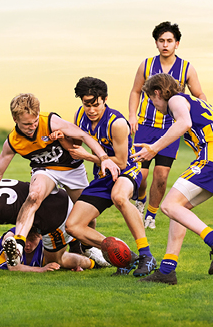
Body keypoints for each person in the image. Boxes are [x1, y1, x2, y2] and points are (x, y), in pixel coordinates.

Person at [0, 93, 119, 264]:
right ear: (15, 119)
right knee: (34, 196)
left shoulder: (51, 121)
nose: (32, 126)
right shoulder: (13, 141)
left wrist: (104, 159)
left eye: (35, 121)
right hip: (45, 170)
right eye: (26, 124)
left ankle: (86, 248)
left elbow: (83, 136)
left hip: (72, 169)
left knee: (88, 215)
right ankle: (18, 245)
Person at [135, 73, 213, 285]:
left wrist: (154, 148)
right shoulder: (199, 105)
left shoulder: (176, 100)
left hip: (212, 158)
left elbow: (184, 123)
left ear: (158, 93)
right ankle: (167, 271)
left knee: (168, 206)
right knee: (179, 210)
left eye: (151, 99)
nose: (154, 105)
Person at [64, 76, 156, 277]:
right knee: (73, 226)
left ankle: (147, 255)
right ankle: (125, 256)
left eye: (95, 104)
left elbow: (122, 162)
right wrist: (59, 137)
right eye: (86, 104)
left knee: (119, 197)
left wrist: (87, 156)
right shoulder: (80, 115)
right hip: (102, 176)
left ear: (105, 99)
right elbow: (74, 141)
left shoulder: (117, 123)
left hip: (127, 171)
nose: (91, 110)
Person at [127, 21, 206, 229]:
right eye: (161, 40)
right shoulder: (146, 65)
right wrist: (132, 115)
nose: (165, 44)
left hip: (171, 128)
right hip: (145, 126)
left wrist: (206, 113)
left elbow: (199, 95)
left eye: (169, 41)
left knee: (161, 176)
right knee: (140, 176)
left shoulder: (187, 68)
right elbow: (135, 91)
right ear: (156, 43)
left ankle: (151, 216)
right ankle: (140, 200)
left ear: (177, 44)